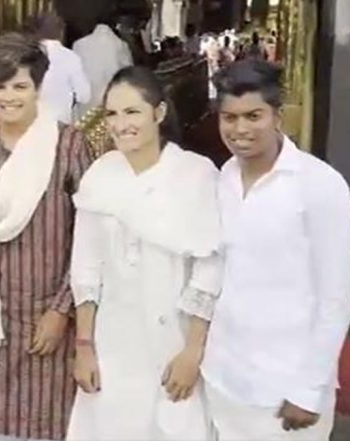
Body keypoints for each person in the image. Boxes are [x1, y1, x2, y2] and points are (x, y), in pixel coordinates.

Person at [0, 32, 92, 441]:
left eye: (19, 86)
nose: (8, 97)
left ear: (38, 88)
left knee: (46, 429)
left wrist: (61, 311)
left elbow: (90, 237)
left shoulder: (68, 144)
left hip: (46, 318)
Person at [202, 59, 350, 441]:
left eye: (253, 116)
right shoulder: (224, 178)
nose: (240, 130)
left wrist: (308, 391)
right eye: (229, 117)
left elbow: (335, 296)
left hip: (287, 390)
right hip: (224, 380)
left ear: (278, 116)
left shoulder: (319, 184)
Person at [66, 66, 220, 441]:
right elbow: (85, 267)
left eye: (132, 112)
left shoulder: (195, 174)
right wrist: (84, 346)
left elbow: (209, 266)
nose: (121, 124)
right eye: (113, 114)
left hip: (174, 339)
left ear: (160, 113)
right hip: (114, 340)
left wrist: (194, 351)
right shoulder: (99, 176)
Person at [32, 12, 91, 123]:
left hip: (31, 123)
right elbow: (84, 96)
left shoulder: (28, 55)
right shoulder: (70, 57)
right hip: (60, 123)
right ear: (61, 32)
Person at [72, 15, 133, 114]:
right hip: (112, 103)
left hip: (86, 104)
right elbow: (129, 75)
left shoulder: (78, 44)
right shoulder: (121, 45)